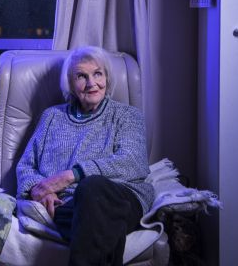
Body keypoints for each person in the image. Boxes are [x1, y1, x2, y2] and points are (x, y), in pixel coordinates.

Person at [16, 46, 154, 266]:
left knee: (91, 188)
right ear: (70, 84)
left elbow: (133, 162)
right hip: (67, 206)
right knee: (96, 222)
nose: (91, 83)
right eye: (82, 76)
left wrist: (73, 174)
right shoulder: (51, 117)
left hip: (118, 197)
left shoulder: (127, 116)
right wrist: (38, 190)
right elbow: (25, 166)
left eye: (97, 74)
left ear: (107, 78)